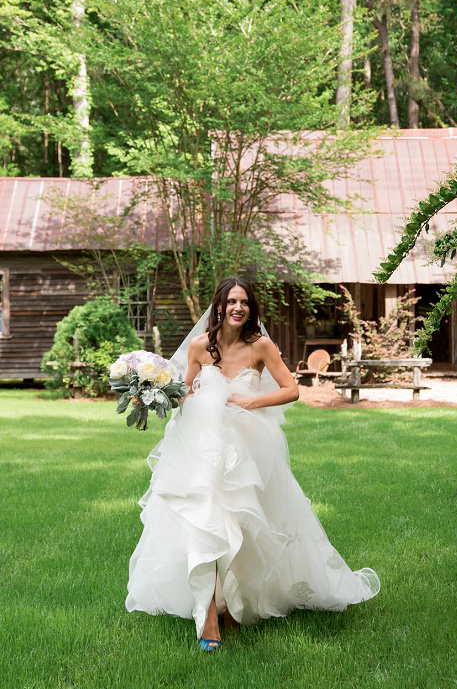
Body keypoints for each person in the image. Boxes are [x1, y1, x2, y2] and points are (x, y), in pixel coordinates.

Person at [126, 276, 379, 651]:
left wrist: (249, 402)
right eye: (231, 301)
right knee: (204, 521)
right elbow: (185, 395)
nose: (237, 308)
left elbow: (290, 389)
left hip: (247, 446)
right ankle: (211, 610)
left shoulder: (260, 345)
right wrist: (150, 392)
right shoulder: (199, 346)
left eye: (243, 302)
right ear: (219, 306)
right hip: (200, 445)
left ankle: (233, 604)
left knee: (240, 526)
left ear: (250, 308)